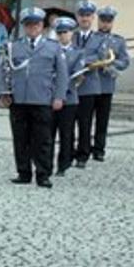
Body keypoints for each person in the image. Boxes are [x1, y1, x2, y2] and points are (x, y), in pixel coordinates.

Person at [0, 7, 66, 187]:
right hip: (19, 99)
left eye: (35, 24)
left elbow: (62, 74)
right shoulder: (14, 46)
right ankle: (23, 172)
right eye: (28, 25)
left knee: (43, 139)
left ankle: (43, 174)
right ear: (24, 27)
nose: (32, 28)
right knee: (20, 138)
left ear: (42, 25)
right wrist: (3, 92)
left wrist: (59, 96)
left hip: (42, 99)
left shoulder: (53, 47)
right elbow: (3, 69)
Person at [72, 5, 130, 165]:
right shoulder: (90, 37)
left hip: (106, 84)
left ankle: (99, 149)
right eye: (103, 21)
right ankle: (85, 147)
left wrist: (110, 65)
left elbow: (124, 61)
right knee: (86, 118)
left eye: (108, 21)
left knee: (102, 120)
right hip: (88, 83)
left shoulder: (118, 40)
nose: (105, 24)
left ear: (112, 23)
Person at [51, 16, 86, 179]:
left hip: (69, 97)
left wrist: (62, 84)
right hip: (50, 97)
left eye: (65, 32)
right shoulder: (50, 49)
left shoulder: (78, 53)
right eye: (59, 33)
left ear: (72, 33)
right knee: (47, 133)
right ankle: (46, 162)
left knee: (66, 133)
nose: (62, 36)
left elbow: (77, 75)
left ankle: (63, 164)